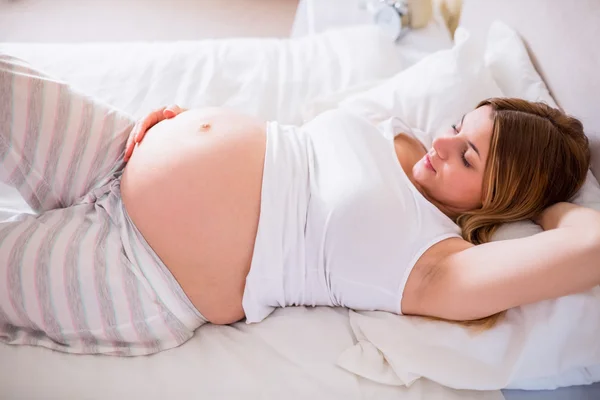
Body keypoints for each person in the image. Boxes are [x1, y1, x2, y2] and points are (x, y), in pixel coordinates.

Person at [1, 55, 599, 356]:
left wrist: (543, 207)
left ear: (500, 202)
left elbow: (589, 246)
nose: (443, 144)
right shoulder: (402, 139)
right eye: (456, 126)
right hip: (121, 148)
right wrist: (184, 129)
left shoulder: (438, 268)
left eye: (469, 157)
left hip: (137, 271)